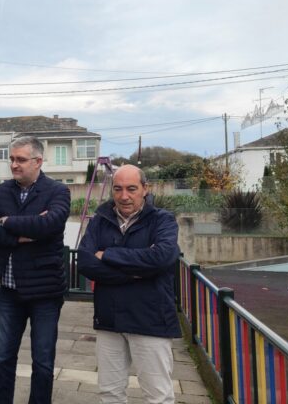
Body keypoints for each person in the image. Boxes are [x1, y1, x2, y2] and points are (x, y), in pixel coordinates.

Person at [76, 164, 181, 404]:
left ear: (145, 189)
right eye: (118, 189)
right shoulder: (100, 220)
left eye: (132, 189)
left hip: (151, 319)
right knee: (110, 393)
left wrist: (108, 255)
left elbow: (162, 257)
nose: (124, 196)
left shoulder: (162, 220)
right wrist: (136, 273)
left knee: (158, 396)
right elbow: (84, 262)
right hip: (109, 319)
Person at [0, 136, 71, 404]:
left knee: (42, 362)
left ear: (38, 161)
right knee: (3, 357)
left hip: (45, 292)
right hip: (9, 291)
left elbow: (50, 225)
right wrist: (19, 235)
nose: (14, 165)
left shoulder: (57, 191)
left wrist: (6, 221)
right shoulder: (1, 191)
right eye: (12, 159)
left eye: (20, 159)